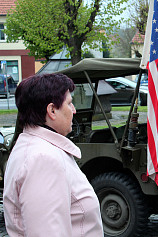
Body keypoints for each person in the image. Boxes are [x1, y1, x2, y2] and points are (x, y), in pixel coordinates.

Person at [3, 73, 104, 236]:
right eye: (69, 104)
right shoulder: (43, 158)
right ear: (51, 110)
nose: (74, 110)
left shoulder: (35, 148)